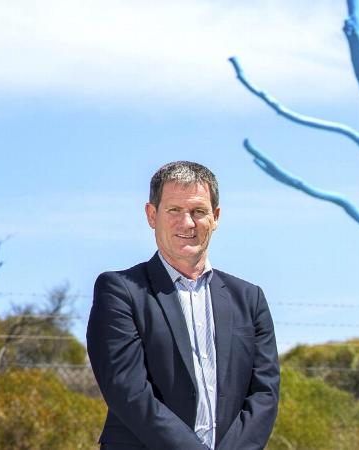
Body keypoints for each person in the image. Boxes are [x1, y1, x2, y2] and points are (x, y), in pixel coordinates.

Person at [87, 161, 280, 450]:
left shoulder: (249, 299)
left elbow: (264, 395)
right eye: (174, 210)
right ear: (152, 215)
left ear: (215, 217)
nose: (187, 223)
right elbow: (127, 391)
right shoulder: (120, 291)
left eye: (198, 211)